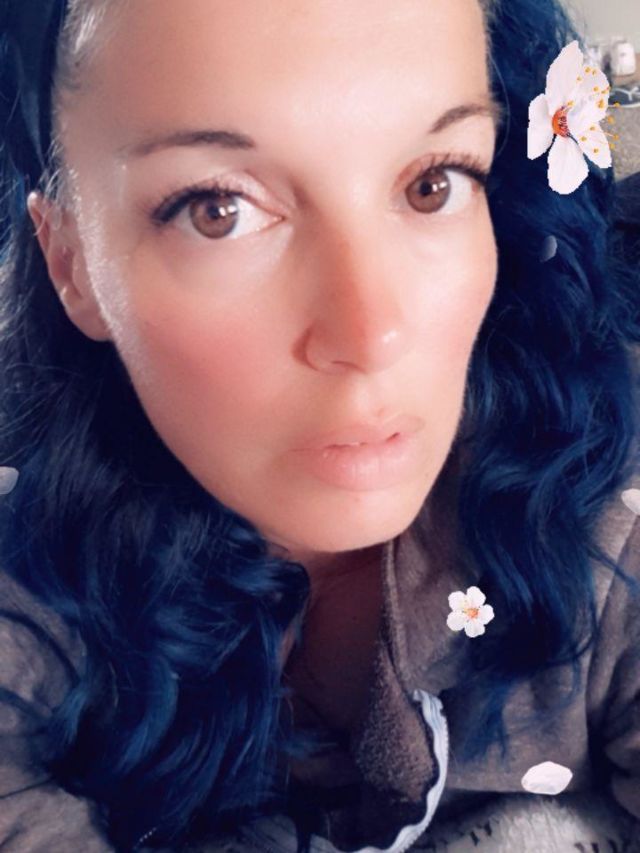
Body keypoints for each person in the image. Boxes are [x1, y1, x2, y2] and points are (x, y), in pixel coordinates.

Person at [0, 0, 639, 851]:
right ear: (71, 263)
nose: (370, 334)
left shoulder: (612, 530)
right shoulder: (33, 576)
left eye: (433, 184)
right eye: (217, 209)